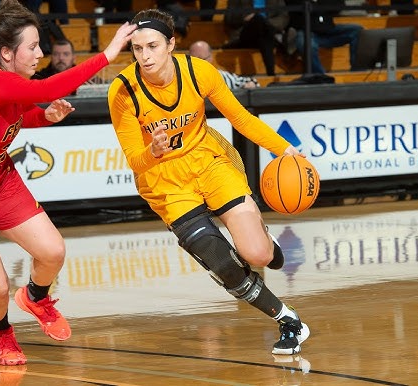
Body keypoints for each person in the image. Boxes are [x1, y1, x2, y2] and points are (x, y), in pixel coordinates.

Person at [0, 0, 136, 366]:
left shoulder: (3, 81)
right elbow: (53, 84)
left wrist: (44, 117)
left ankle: (35, 296)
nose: (40, 53)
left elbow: (10, 119)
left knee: (52, 252)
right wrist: (109, 52)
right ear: (6, 52)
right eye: (32, 47)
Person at [108, 9, 310, 355]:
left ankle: (268, 245)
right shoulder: (122, 91)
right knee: (222, 263)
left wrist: (287, 150)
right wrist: (153, 151)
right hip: (165, 182)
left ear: (171, 44)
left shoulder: (198, 71)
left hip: (209, 161)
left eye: (153, 46)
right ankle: (289, 321)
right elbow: (134, 161)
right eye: (137, 49)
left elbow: (241, 118)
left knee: (257, 255)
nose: (145, 56)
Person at [286, 0, 362, 74]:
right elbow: (298, 5)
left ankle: (357, 72)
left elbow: (339, 5)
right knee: (306, 43)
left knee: (357, 30)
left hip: (329, 29)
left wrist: (317, 4)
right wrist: (319, 6)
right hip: (306, 31)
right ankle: (321, 76)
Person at [223, 0, 292, 76]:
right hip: (246, 35)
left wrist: (266, 23)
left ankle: (270, 73)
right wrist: (245, 17)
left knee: (261, 25)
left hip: (269, 33)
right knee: (258, 19)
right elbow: (229, 18)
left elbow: (284, 18)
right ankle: (271, 73)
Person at [31, 39, 105, 92]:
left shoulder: (87, 78)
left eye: (66, 54)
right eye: (56, 54)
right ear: (51, 57)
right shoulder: (39, 79)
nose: (61, 58)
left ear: (73, 58)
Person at [188, 40, 260, 89]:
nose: (198, 65)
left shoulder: (224, 77)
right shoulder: (182, 79)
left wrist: (250, 84)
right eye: (193, 61)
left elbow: (252, 82)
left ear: (211, 58)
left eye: (202, 60)